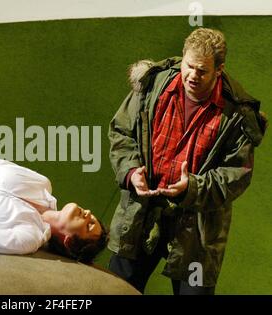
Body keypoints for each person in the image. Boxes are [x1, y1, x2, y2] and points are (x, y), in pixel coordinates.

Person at [107, 28, 267, 294]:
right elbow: (121, 131)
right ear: (182, 58)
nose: (193, 76)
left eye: (202, 71)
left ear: (219, 69)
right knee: (114, 289)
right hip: (140, 214)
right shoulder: (153, 85)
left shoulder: (238, 114)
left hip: (196, 230)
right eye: (189, 66)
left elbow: (237, 175)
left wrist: (191, 187)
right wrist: (131, 170)